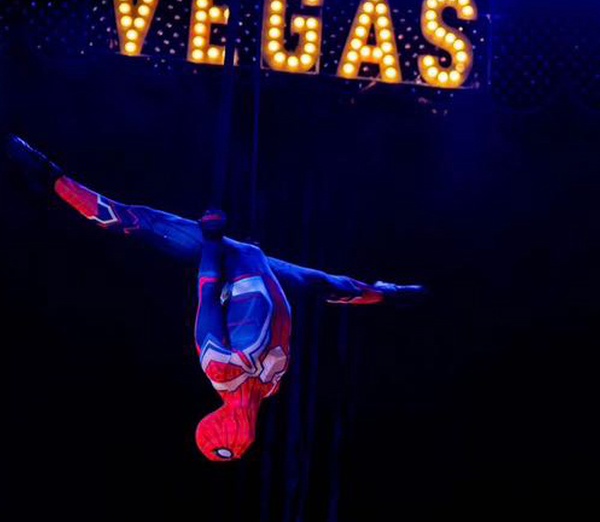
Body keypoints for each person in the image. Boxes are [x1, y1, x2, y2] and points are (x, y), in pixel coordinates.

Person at [6, 135, 426, 461]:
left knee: (132, 221)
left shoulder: (224, 370)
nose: (240, 426)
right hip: (260, 266)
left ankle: (45, 173)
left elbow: (207, 290)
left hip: (227, 257)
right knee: (327, 285)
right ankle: (389, 294)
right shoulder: (267, 386)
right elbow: (264, 311)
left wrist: (211, 238)